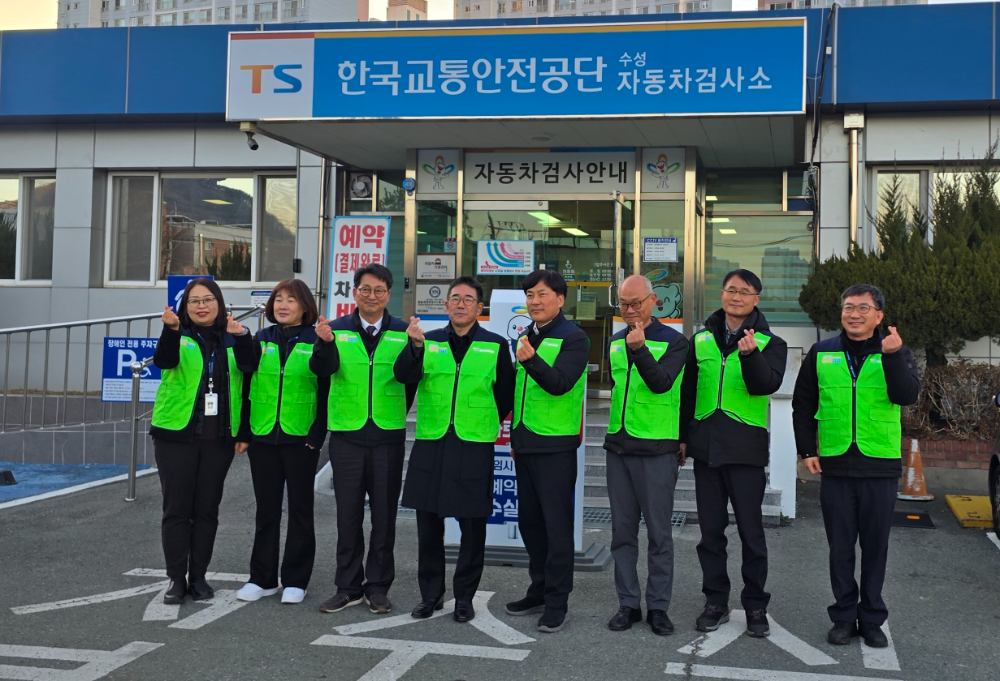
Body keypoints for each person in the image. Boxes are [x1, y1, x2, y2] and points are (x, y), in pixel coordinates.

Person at [792, 284, 919, 648]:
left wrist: (893, 357)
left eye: (864, 308)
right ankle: (844, 617)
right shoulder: (822, 352)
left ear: (878, 315)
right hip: (835, 466)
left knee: (876, 547)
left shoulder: (895, 351)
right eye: (849, 307)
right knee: (841, 548)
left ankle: (873, 617)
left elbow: (906, 395)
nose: (854, 314)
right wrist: (805, 450)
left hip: (879, 465)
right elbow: (803, 405)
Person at [395, 276, 515, 623]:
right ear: (445, 305)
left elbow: (504, 396)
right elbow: (404, 376)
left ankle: (464, 597)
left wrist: (478, 419)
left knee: (473, 528)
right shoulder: (427, 342)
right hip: (432, 442)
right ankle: (430, 595)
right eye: (454, 298)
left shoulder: (495, 345)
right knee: (428, 526)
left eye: (468, 299)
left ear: (480, 308)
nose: (460, 304)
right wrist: (413, 348)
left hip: (473, 445)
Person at [679, 269, 787, 637]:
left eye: (744, 292)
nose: (736, 297)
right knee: (710, 534)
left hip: (745, 453)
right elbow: (688, 392)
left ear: (757, 299)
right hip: (706, 450)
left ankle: (756, 606)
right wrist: (682, 438)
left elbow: (765, 385)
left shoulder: (772, 343)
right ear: (721, 295)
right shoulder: (702, 340)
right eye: (730, 290)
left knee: (751, 534)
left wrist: (751, 354)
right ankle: (716, 601)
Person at [311, 263, 418, 615]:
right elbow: (322, 372)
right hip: (347, 436)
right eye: (365, 289)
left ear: (389, 294)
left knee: (384, 517)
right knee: (348, 516)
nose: (372, 296)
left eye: (380, 290)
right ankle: (348, 586)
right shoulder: (336, 330)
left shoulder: (404, 332)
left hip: (386, 434)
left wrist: (416, 347)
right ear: (354, 291)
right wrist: (323, 345)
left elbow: (409, 378)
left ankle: (378, 586)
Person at [151, 278, 250, 605]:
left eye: (208, 299)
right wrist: (170, 330)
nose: (202, 306)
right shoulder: (177, 335)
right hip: (176, 436)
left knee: (207, 509)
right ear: (185, 306)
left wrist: (242, 432)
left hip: (219, 438)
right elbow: (165, 361)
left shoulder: (233, 338)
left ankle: (199, 576)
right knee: (177, 508)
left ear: (219, 304)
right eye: (194, 301)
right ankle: (176, 579)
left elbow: (248, 378)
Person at [233, 279, 329, 605]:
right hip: (263, 437)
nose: (282, 305)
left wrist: (317, 438)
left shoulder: (317, 339)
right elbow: (247, 384)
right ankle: (262, 579)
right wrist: (244, 433)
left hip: (300, 439)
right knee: (267, 510)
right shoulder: (261, 339)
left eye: (290, 300)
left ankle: (296, 580)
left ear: (305, 306)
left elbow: (327, 391)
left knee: (301, 510)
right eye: (278, 300)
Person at [504, 269, 589, 634]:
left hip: (555, 447)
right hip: (525, 443)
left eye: (541, 295)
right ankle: (538, 589)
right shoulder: (527, 334)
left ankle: (557, 601)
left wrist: (530, 360)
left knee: (556, 529)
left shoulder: (575, 338)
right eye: (529, 296)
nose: (534, 302)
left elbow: (559, 384)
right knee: (531, 524)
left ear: (560, 298)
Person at [604, 275, 689, 635]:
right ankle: (627, 604)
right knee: (622, 533)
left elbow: (661, 384)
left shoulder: (675, 342)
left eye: (636, 303)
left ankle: (658, 607)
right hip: (618, 447)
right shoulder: (614, 341)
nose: (630, 310)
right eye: (623, 304)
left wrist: (639, 350)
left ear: (654, 301)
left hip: (656, 449)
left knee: (658, 534)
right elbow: (615, 386)